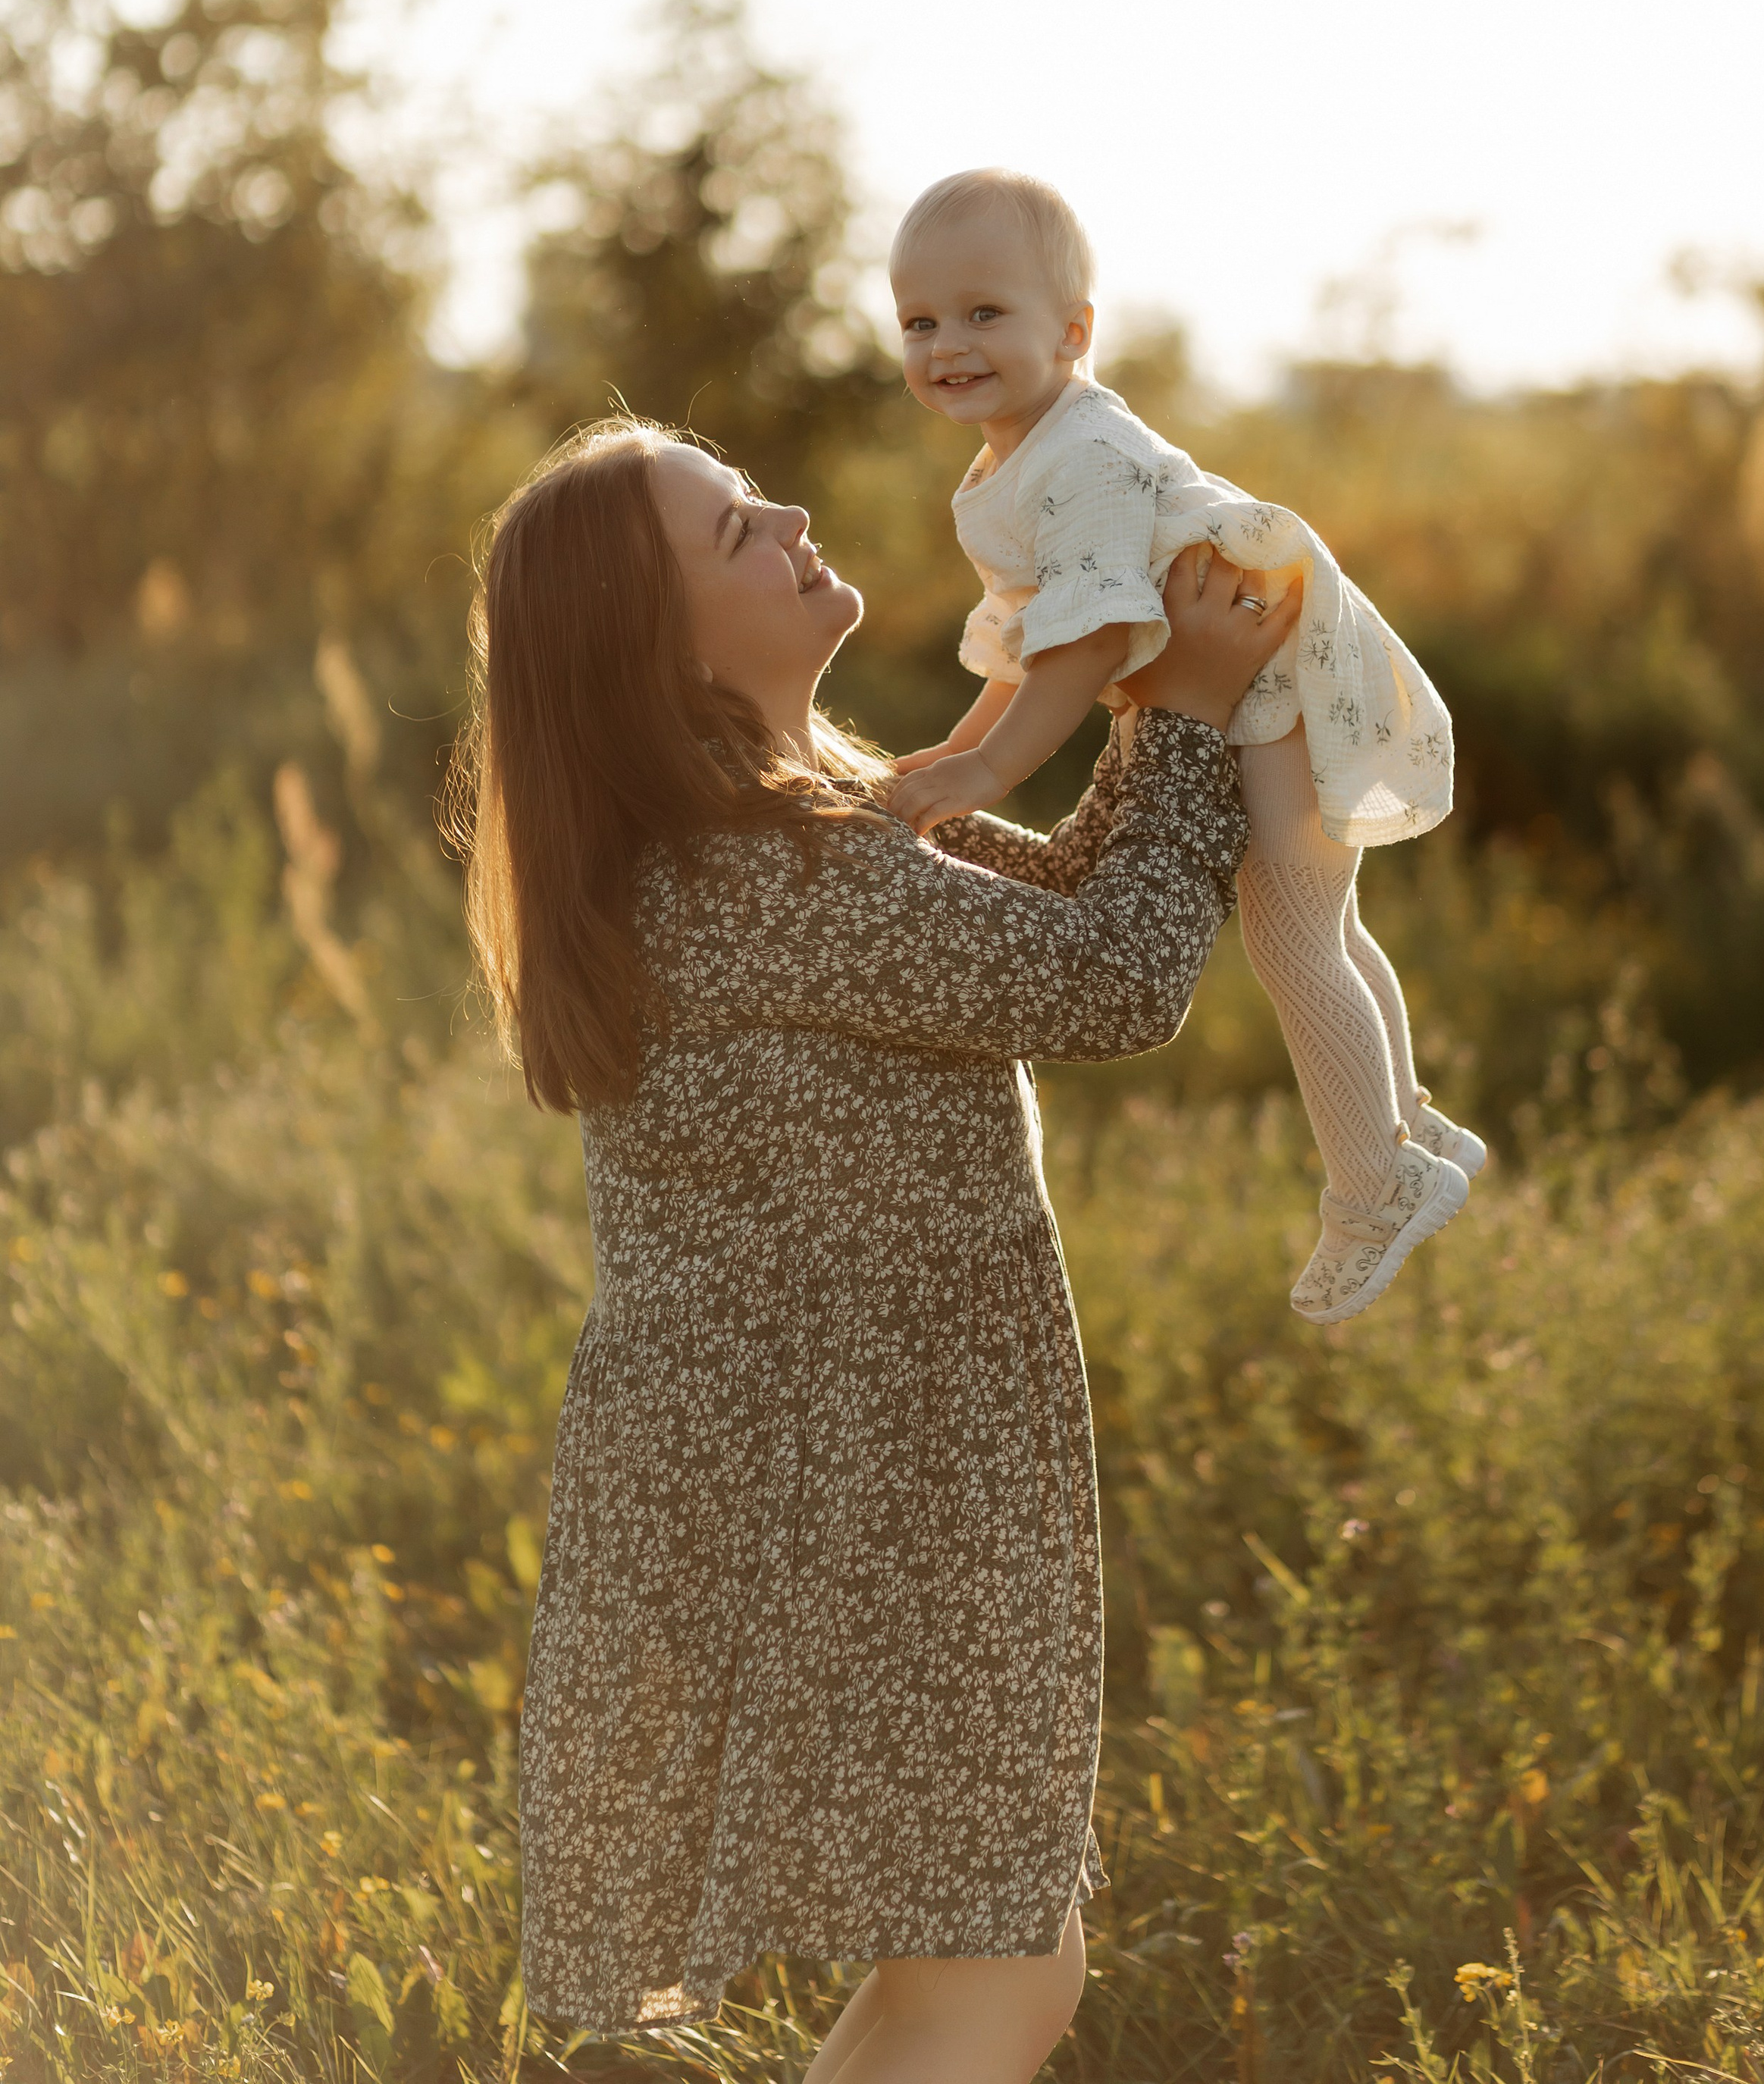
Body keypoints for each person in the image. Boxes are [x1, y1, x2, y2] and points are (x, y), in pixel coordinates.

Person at [445, 415, 1294, 2080]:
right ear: (655, 642)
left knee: (986, 1957)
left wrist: (1144, 693)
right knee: (991, 1965)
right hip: (847, 1468)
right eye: (734, 530)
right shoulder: (761, 867)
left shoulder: (805, 805)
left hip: (856, 1447)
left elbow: (1055, 911)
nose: (792, 516)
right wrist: (1185, 712)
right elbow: (1108, 982)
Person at [886, 168, 1486, 1327]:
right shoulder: (1020, 456)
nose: (947, 344)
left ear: (1074, 333)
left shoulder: (1084, 455)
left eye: (983, 313)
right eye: (920, 321)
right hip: (1280, 667)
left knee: (1292, 930)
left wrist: (987, 771)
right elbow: (1033, 638)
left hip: (1284, 675)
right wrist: (955, 751)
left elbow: (1096, 628)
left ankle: (1378, 1180)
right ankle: (1405, 1117)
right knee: (1325, 918)